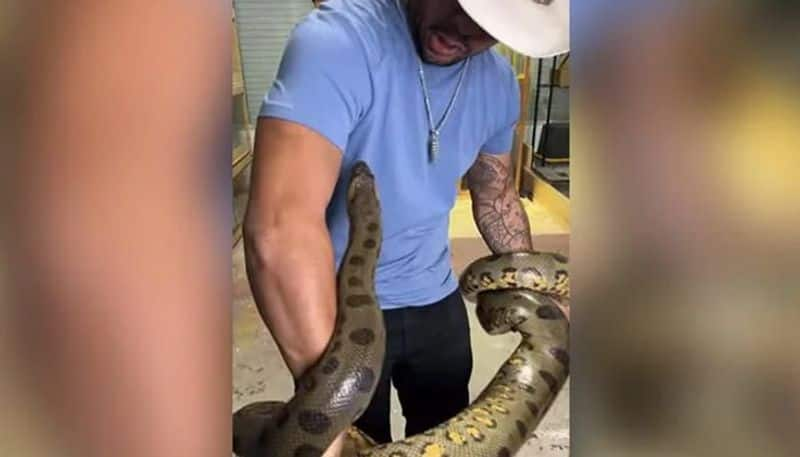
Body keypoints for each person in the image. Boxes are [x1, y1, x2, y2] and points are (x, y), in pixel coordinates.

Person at [242, 0, 568, 453]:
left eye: (489, 25)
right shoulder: (339, 43)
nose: (463, 28)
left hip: (435, 297)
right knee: (355, 444)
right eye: (459, 2)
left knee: (448, 431)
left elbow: (495, 192)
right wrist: (325, 415)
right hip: (337, 313)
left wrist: (540, 291)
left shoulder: (497, 83)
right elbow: (281, 227)